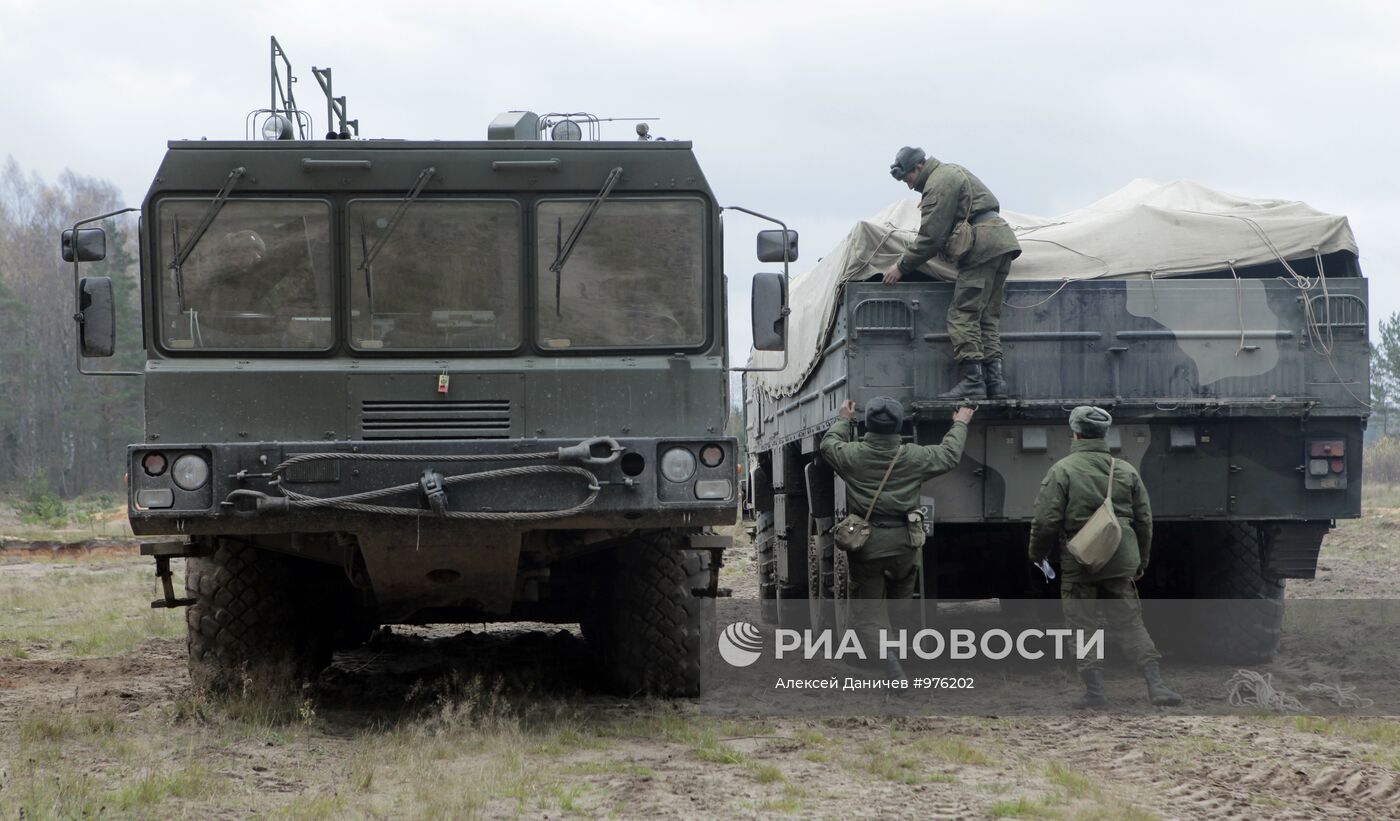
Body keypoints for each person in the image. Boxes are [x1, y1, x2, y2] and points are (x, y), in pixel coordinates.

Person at [1028, 406, 1183, 709]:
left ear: (1075, 433)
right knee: (1130, 622)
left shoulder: (1062, 470)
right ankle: (1156, 686)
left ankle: (1096, 693)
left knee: (1082, 625)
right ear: (1104, 434)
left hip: (1079, 561)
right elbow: (1144, 521)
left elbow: (1045, 521)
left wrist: (1037, 554)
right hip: (1118, 558)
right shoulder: (1125, 470)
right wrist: (1141, 560)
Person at [819, 396, 975, 684]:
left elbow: (828, 446)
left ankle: (890, 663)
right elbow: (949, 455)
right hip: (905, 545)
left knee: (868, 614)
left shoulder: (853, 455)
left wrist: (843, 419)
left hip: (867, 547)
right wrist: (960, 423)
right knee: (899, 607)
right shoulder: (914, 456)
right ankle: (898, 650)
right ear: (898, 425)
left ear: (868, 424)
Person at [881, 146, 1022, 400]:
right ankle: (995, 383)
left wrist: (901, 267)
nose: (909, 185)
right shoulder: (952, 171)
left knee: (963, 315)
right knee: (986, 316)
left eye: (908, 178)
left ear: (918, 168)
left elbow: (931, 237)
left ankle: (973, 381)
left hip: (983, 246)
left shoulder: (939, 182)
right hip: (1001, 241)